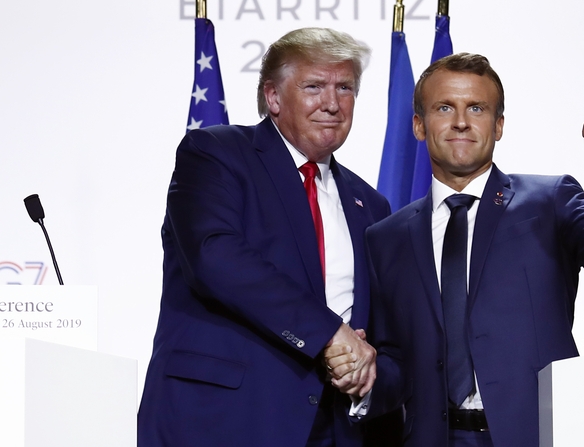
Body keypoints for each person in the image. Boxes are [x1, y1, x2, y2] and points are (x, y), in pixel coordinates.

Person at [327, 52, 584, 446]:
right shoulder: (385, 237)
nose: (461, 121)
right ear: (418, 125)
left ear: (498, 126)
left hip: (534, 435)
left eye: (477, 108)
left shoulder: (549, 200)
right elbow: (395, 358)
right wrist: (361, 380)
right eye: (444, 107)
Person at [137, 27, 396, 447]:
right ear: (273, 97)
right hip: (224, 421)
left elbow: (382, 333)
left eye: (344, 87)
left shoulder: (371, 204)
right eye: (314, 86)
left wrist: (364, 375)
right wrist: (329, 334)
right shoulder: (215, 154)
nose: (332, 103)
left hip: (335, 429)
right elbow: (214, 256)